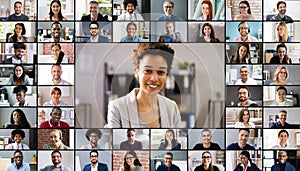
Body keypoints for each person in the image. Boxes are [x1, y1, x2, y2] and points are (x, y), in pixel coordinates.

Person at [108, 43, 182, 128]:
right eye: (148, 71)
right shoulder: (117, 108)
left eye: (161, 72)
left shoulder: (172, 107)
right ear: (136, 72)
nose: (154, 79)